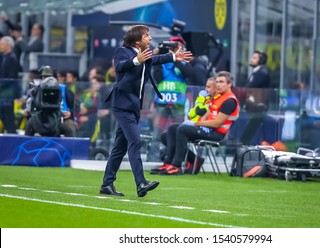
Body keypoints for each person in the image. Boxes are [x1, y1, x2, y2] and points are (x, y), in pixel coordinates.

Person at [99, 25, 192, 197]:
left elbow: (156, 60)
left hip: (133, 106)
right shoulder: (123, 51)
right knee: (135, 142)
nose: (150, 39)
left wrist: (173, 56)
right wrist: (136, 60)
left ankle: (107, 184)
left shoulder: (145, 54)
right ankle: (141, 183)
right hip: (122, 105)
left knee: (120, 148)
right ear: (137, 41)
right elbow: (119, 67)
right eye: (147, 36)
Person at [159, 71, 239, 175]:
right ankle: (169, 163)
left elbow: (217, 123)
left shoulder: (230, 101)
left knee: (182, 130)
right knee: (171, 129)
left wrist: (198, 124)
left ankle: (176, 166)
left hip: (216, 134)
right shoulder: (218, 97)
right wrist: (197, 122)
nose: (218, 84)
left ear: (229, 84)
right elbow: (207, 114)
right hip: (207, 129)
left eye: (222, 82)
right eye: (218, 82)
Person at [150, 76, 217, 175]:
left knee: (179, 130)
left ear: (216, 88)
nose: (206, 90)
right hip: (194, 124)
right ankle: (174, 162)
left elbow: (200, 111)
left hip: (204, 128)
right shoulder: (205, 98)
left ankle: (176, 165)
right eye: (206, 87)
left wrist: (201, 98)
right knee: (166, 135)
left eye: (209, 87)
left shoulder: (212, 100)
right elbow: (193, 113)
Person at [24, 66, 62, 137]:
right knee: (29, 124)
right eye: (44, 77)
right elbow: (31, 104)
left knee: (69, 127)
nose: (47, 79)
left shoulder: (62, 89)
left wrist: (69, 113)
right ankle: (26, 146)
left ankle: (70, 147)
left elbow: (65, 105)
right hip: (40, 115)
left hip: (56, 115)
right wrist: (29, 111)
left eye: (49, 77)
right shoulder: (35, 89)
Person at [0, 36, 21, 133]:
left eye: (2, 44)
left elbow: (11, 78)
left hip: (7, 94)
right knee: (4, 116)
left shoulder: (12, 58)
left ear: (9, 46)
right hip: (3, 93)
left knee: (8, 117)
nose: (0, 46)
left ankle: (12, 135)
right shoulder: (4, 58)